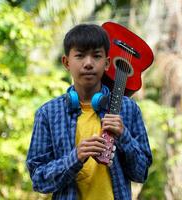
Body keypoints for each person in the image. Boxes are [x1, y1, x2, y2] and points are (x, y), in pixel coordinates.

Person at [26, 23, 152, 200]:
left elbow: (141, 173)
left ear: (107, 63)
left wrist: (124, 136)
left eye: (96, 56)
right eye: (80, 55)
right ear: (66, 62)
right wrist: (75, 158)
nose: (88, 63)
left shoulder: (128, 109)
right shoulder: (48, 113)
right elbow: (39, 180)